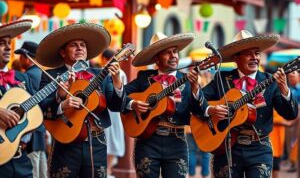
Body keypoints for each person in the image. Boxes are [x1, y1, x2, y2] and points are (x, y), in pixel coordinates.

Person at [200, 30, 298, 177]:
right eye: (248, 53)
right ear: (236, 58)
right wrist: (210, 109)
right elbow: (196, 101)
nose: (254, 57)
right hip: (226, 147)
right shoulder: (221, 78)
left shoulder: (270, 81)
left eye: (257, 53)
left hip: (259, 148)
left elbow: (290, 114)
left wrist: (284, 89)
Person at [36, 23, 126, 178]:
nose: (80, 48)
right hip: (65, 142)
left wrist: (117, 81)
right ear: (63, 52)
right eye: (74, 45)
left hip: (96, 142)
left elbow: (117, 106)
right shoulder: (51, 75)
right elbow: (40, 108)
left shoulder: (100, 75)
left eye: (83, 45)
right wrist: (62, 103)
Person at [124, 32, 209, 178]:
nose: (173, 56)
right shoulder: (144, 78)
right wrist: (133, 104)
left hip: (177, 141)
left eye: (175, 52)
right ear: (156, 58)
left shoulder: (187, 80)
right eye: (167, 53)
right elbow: (118, 96)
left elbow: (201, 112)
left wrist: (196, 89)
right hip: (148, 141)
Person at [0, 19, 35, 177]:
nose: (8, 47)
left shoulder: (22, 78)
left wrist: (60, 98)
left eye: (9, 42)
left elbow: (37, 111)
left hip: (21, 159)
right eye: (1, 43)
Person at [14, 41, 47, 178]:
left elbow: (30, 106)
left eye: (21, 56)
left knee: (33, 170)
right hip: (40, 131)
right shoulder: (41, 73)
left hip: (31, 133)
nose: (19, 60)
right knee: (41, 170)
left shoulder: (29, 76)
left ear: (27, 58)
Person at [101, 49, 126, 178]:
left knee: (111, 140)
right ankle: (108, 171)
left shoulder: (117, 73)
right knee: (110, 140)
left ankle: (108, 171)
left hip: (112, 112)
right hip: (111, 112)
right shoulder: (119, 72)